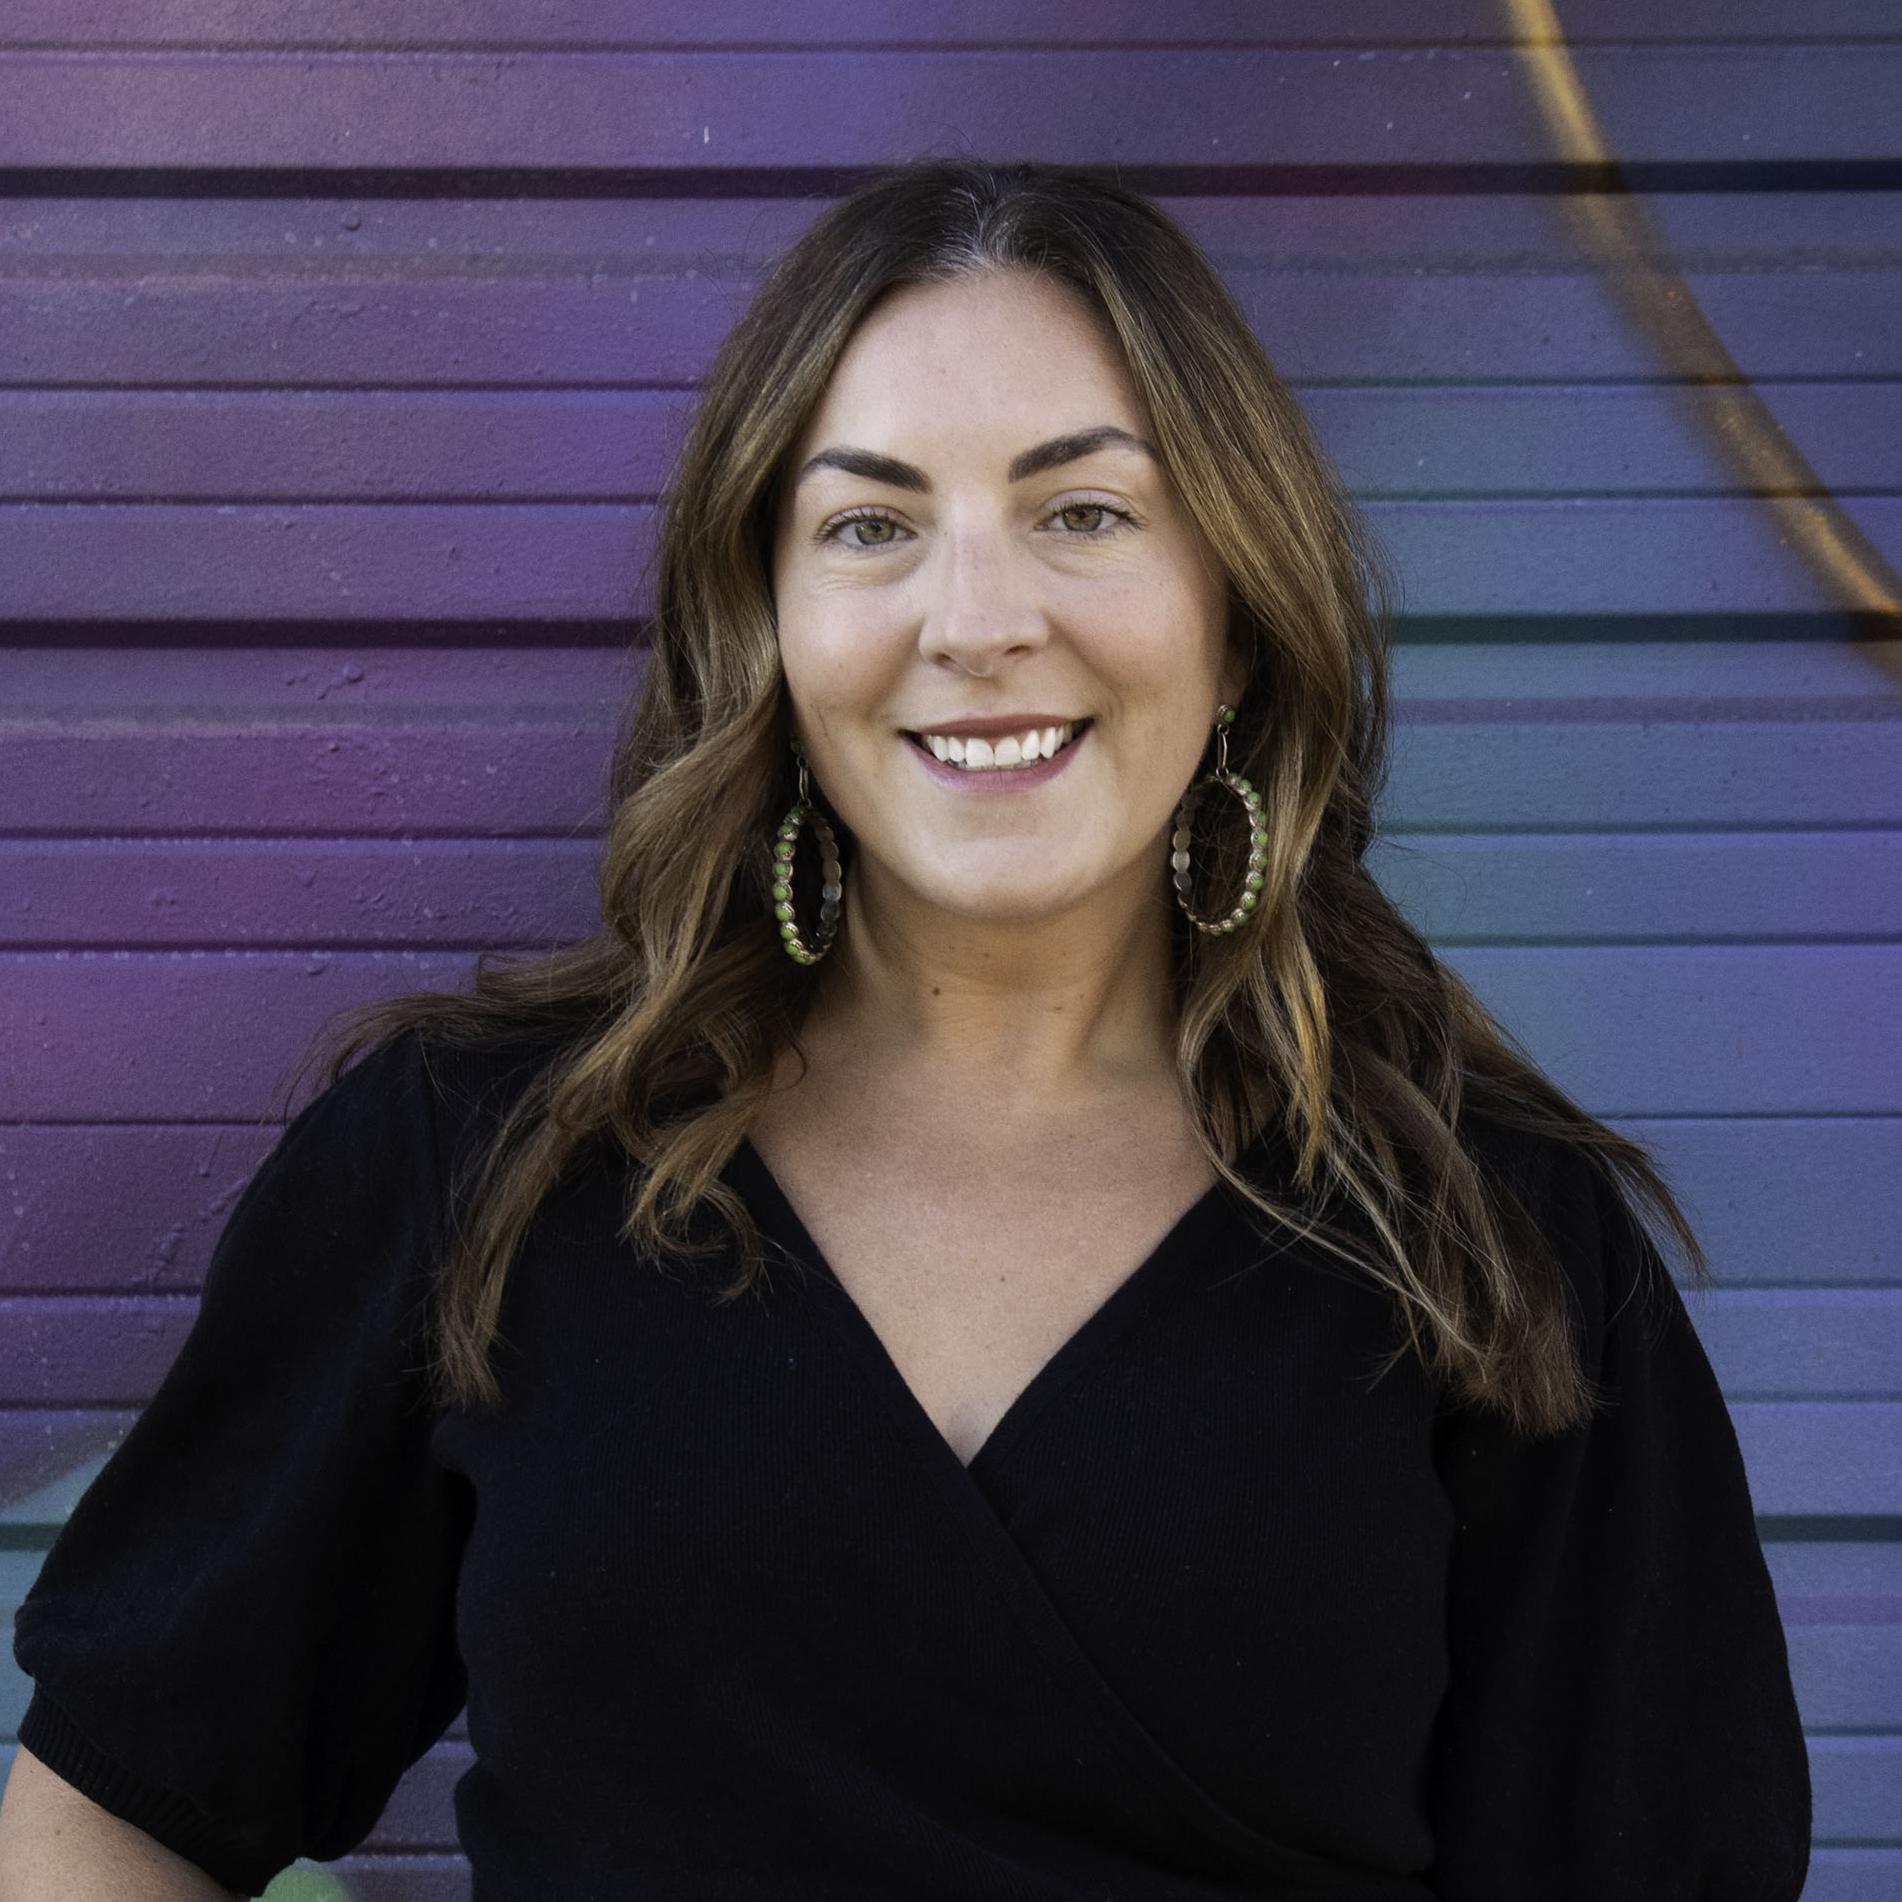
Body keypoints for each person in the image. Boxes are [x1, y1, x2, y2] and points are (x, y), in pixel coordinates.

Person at [2, 157, 1811, 1900]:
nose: (977, 621)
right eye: (870, 526)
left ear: (1239, 614)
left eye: (1083, 512)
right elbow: (111, 1809)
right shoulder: (480, 1163)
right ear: (767, 624)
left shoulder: (1487, 1235)